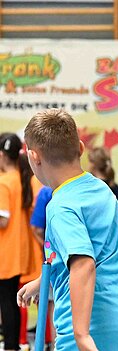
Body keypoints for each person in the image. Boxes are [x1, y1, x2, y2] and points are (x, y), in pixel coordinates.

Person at [17, 108, 118, 351]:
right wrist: (48, 278)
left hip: (99, 330)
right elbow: (101, 249)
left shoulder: (61, 205)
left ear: (34, 156)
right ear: (81, 149)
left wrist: (82, 335)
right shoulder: (101, 189)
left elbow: (84, 263)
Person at [0, 133, 38, 351]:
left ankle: (11, 345)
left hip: (5, 253)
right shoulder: (22, 178)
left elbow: (3, 220)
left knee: (6, 302)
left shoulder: (4, 182)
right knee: (11, 301)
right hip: (19, 252)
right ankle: (13, 344)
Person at [29, 185, 55, 350]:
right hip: (86, 263)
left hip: (54, 264)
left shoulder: (46, 192)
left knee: (54, 308)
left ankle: (55, 346)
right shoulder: (91, 187)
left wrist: (48, 249)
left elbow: (36, 228)